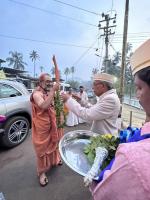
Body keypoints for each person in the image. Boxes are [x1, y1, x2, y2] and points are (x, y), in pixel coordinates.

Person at [89, 39, 150, 200]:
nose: (137, 95)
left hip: (105, 136)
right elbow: (92, 109)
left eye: (139, 87)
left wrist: (94, 172)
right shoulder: (105, 97)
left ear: (102, 86)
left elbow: (102, 193)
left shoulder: (132, 157)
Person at [30, 73, 63, 187]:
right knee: (42, 151)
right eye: (47, 81)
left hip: (52, 124)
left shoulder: (49, 92)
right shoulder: (36, 94)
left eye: (51, 81)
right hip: (42, 128)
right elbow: (43, 106)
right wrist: (53, 90)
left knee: (54, 143)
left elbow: (53, 105)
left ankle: (55, 160)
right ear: (40, 82)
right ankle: (42, 173)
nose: (50, 83)